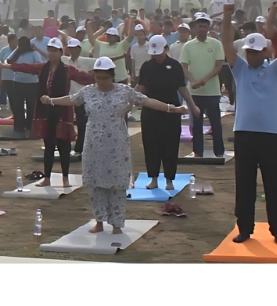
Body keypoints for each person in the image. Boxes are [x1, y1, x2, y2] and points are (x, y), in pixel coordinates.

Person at [41, 56, 185, 234]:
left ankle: (117, 224)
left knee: (116, 184)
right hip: (93, 144)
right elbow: (72, 99)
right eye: (98, 77)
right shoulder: (88, 92)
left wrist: (173, 108)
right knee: (95, 184)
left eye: (105, 77)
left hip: (117, 144)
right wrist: (52, 100)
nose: (101, 82)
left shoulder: (124, 91)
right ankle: (99, 220)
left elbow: (147, 101)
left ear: (112, 76)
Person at [218, 3, 277, 243]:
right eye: (249, 51)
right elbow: (226, 43)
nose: (251, 55)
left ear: (265, 52)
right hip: (244, 135)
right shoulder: (239, 70)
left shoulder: (275, 71)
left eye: (256, 51)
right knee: (245, 184)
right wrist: (227, 16)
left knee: (274, 184)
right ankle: (244, 228)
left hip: (271, 135)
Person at [3, 37, 92, 186]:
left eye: (54, 51)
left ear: (60, 53)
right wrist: (6, 67)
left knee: (63, 145)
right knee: (49, 144)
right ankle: (47, 177)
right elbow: (26, 67)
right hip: (45, 111)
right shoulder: (42, 68)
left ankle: (65, 178)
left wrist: (100, 75)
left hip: (62, 110)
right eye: (50, 51)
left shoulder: (68, 70)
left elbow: (84, 78)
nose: (51, 54)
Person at [135, 34, 198, 190]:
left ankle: (169, 179)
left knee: (170, 146)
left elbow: (181, 87)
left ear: (166, 49)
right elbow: (141, 87)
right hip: (150, 112)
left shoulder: (175, 66)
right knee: (151, 145)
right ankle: (154, 178)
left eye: (160, 53)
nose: (157, 57)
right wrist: (129, 99)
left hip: (171, 112)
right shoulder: (147, 66)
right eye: (154, 54)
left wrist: (192, 105)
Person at [179, 14, 226, 158]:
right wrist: (193, 81)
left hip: (212, 91)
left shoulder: (216, 44)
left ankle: (219, 152)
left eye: (205, 26)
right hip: (195, 93)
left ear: (208, 28)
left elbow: (219, 66)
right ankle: (198, 152)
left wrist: (204, 80)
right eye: (200, 26)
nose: (202, 29)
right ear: (194, 28)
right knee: (196, 125)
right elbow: (184, 66)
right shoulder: (188, 46)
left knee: (215, 123)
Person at [6, 35, 41, 137]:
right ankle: (19, 127)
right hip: (18, 82)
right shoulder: (17, 54)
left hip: (32, 83)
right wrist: (17, 50)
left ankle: (30, 127)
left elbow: (38, 66)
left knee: (31, 106)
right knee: (18, 106)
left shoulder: (34, 53)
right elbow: (8, 61)